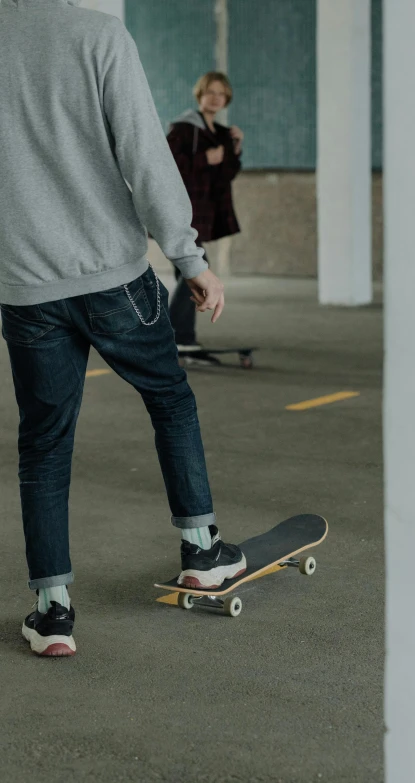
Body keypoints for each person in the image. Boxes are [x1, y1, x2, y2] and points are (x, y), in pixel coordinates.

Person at [0, 0, 246, 657]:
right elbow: (143, 155)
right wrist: (190, 258)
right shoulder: (99, 35)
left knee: (44, 444)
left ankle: (53, 611)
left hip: (27, 288)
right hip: (111, 276)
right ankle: (202, 550)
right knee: (170, 399)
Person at [166, 72, 244, 364]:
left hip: (204, 211)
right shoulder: (184, 129)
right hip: (183, 210)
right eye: (210, 92)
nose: (215, 97)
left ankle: (178, 336)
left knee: (192, 273)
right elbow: (166, 164)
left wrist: (235, 149)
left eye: (221, 94)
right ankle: (177, 337)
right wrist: (204, 159)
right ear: (199, 95)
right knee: (195, 271)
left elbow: (226, 174)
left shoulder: (221, 133)